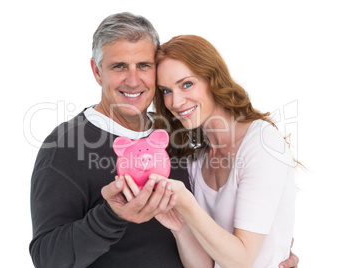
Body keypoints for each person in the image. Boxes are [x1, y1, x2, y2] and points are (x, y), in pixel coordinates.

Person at [29, 12, 298, 268]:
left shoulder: (176, 136)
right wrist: (110, 217)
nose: (133, 81)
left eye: (144, 66)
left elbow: (222, 235)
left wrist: (272, 250)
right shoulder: (65, 146)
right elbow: (47, 258)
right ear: (97, 71)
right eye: (119, 66)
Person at [122, 35, 297, 267]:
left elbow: (242, 261)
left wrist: (186, 203)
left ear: (212, 78)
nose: (175, 102)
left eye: (186, 84)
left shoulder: (262, 143)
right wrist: (180, 227)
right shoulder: (198, 159)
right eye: (166, 91)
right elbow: (204, 265)